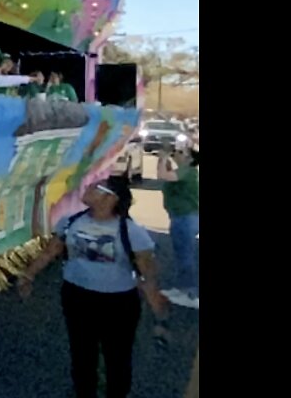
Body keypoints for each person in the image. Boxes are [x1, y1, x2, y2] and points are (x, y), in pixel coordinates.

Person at [18, 176, 169, 398]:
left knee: (116, 356)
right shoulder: (70, 222)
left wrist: (156, 304)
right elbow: (51, 251)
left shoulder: (131, 231)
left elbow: (148, 271)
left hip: (118, 303)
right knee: (81, 353)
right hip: (77, 297)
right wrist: (28, 275)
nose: (86, 188)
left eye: (94, 187)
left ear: (110, 198)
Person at [158, 146, 199, 307]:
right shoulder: (183, 170)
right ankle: (181, 287)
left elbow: (163, 175)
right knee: (181, 253)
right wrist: (164, 159)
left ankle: (190, 293)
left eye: (182, 153)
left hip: (186, 217)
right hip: (180, 217)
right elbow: (162, 173)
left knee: (185, 256)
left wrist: (163, 157)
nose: (177, 153)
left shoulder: (186, 171)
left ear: (190, 159)